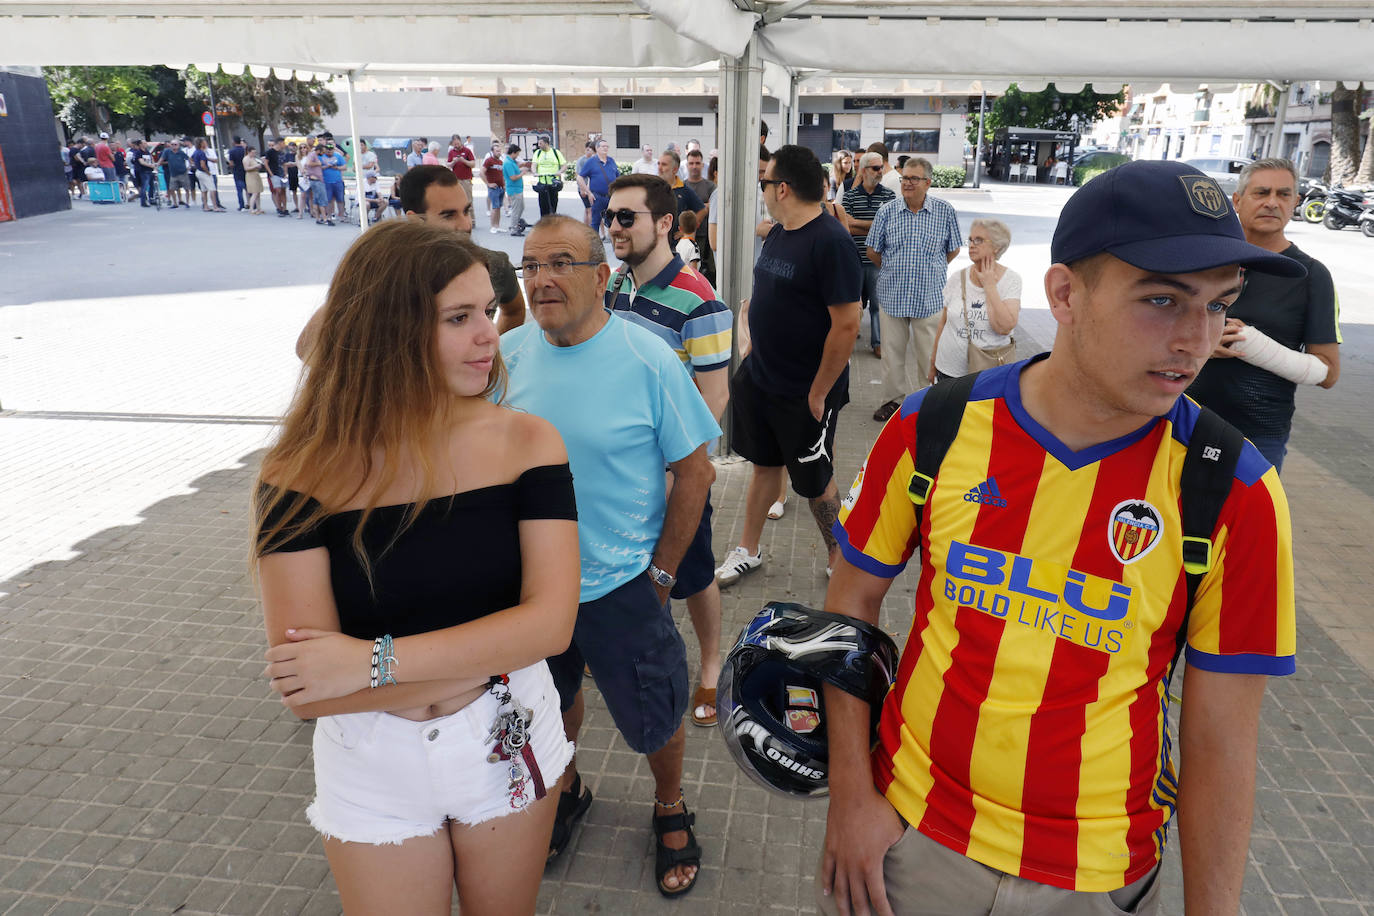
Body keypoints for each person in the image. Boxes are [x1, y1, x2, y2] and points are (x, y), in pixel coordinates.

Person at [818, 159, 1302, 916]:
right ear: (1065, 293)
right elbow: (849, 606)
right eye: (1163, 300)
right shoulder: (934, 426)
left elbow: (1222, 738)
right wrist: (850, 798)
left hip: (1098, 876)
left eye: (1218, 306)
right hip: (909, 844)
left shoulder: (1234, 490)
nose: (1194, 340)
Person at [255, 220, 578, 916]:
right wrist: (494, 651)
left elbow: (552, 625)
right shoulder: (300, 473)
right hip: (374, 763)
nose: (489, 334)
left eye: (487, 311)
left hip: (506, 731)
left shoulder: (528, 443)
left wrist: (370, 664)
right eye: (459, 318)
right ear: (389, 331)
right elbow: (308, 689)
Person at [501, 214, 719, 897]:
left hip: (623, 583)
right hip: (531, 589)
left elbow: (696, 471)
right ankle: (567, 786)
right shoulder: (505, 356)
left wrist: (661, 573)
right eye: (530, 266)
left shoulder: (646, 356)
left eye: (559, 262)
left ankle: (669, 804)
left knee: (655, 711)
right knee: (549, 699)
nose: (541, 279)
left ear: (601, 277)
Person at [604, 173, 733, 730]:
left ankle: (711, 661)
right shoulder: (615, 283)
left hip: (674, 474)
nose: (614, 227)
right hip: (619, 470)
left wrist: (683, 475)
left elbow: (715, 397)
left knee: (695, 573)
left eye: (626, 217)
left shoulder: (700, 301)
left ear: (663, 223)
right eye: (610, 216)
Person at [715, 144, 862, 588]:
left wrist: (819, 392)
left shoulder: (831, 242)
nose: (761, 191)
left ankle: (840, 559)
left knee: (815, 481)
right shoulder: (780, 231)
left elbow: (848, 325)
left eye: (764, 182)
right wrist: (751, 339)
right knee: (762, 465)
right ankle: (748, 549)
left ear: (781, 187)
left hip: (804, 389)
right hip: (761, 376)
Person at [1187, 157, 1341, 473]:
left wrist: (1252, 345)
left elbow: (1328, 374)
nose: (1272, 202)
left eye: (1283, 195)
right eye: (1262, 193)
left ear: (1296, 202)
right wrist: (1204, 345)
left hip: (1258, 435)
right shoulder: (1203, 261)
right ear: (1238, 201)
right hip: (1182, 418)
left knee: (1246, 524)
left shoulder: (1311, 275)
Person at [296, 165, 527, 363]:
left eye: (466, 211)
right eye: (448, 215)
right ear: (415, 219)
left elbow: (515, 310)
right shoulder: (385, 273)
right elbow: (308, 348)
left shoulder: (494, 264)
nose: (465, 224)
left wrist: (492, 362)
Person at [865, 156, 964, 420]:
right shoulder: (887, 211)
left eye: (913, 178)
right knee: (892, 356)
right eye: (904, 178)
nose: (907, 183)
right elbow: (873, 250)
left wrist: (931, 269)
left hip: (928, 296)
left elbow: (953, 248)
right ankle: (892, 402)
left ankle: (926, 405)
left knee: (929, 357)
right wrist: (893, 268)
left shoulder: (944, 211)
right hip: (892, 294)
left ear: (928, 182)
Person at [928, 218, 1020, 382]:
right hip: (948, 371)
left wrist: (990, 286)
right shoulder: (957, 278)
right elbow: (943, 322)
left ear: (997, 246)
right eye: (970, 239)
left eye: (978, 240)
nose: (971, 244)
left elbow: (1005, 327)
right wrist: (933, 363)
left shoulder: (1011, 280)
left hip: (987, 374)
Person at [841, 152, 895, 360]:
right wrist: (875, 226)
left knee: (877, 305)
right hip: (854, 260)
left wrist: (858, 223)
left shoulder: (889, 196)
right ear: (863, 170)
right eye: (875, 168)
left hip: (877, 261)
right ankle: (846, 341)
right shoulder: (850, 196)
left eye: (881, 167)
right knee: (852, 305)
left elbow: (889, 228)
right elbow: (846, 228)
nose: (880, 171)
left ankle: (878, 343)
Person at [656, 150, 705, 245]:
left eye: (664, 165)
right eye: (658, 164)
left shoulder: (684, 190)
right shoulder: (652, 188)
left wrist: (686, 231)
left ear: (675, 169)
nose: (659, 168)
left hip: (676, 247)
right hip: (657, 244)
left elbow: (702, 210)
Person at [683, 149, 716, 286]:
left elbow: (714, 205)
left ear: (703, 165)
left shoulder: (710, 186)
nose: (694, 166)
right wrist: (704, 207)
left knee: (707, 274)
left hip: (706, 237)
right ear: (687, 165)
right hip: (685, 237)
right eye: (691, 163)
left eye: (697, 163)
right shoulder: (682, 186)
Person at [577, 139, 619, 238]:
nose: (605, 148)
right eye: (603, 146)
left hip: (611, 197)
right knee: (595, 221)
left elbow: (618, 177)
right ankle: (594, 243)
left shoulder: (611, 161)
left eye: (607, 146)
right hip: (598, 197)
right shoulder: (591, 162)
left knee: (614, 220)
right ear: (597, 148)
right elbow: (580, 177)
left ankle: (614, 242)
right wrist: (588, 192)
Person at [531, 135, 566, 218]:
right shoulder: (538, 153)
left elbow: (564, 165)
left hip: (553, 183)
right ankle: (543, 222)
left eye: (540, 143)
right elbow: (534, 165)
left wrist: (559, 172)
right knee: (543, 205)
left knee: (553, 204)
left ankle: (552, 222)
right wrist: (534, 172)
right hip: (542, 182)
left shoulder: (556, 152)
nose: (539, 145)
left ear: (546, 143)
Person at [191, 138, 225, 212]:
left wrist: (195, 164)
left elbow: (191, 158)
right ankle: (215, 206)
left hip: (198, 172)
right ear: (201, 144)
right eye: (204, 142)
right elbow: (203, 165)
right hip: (204, 172)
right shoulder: (202, 153)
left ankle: (205, 206)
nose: (206, 143)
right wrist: (208, 172)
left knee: (203, 190)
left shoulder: (196, 152)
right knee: (212, 189)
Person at [321, 138, 349, 224]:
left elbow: (344, 167)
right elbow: (318, 168)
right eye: (328, 151)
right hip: (327, 182)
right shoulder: (322, 157)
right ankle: (329, 216)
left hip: (337, 181)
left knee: (340, 199)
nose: (329, 152)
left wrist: (336, 167)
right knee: (329, 200)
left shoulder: (338, 156)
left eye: (331, 151)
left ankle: (341, 216)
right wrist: (326, 166)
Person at [158, 139, 192, 209]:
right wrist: (157, 165)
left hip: (183, 173)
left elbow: (189, 159)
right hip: (173, 174)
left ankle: (187, 202)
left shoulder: (181, 152)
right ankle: (175, 203)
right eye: (172, 144)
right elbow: (161, 159)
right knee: (172, 188)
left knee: (186, 188)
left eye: (175, 144)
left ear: (178, 145)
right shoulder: (167, 151)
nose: (173, 146)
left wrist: (189, 167)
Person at [502, 144, 527, 237]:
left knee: (521, 207)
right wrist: (522, 173)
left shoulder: (512, 162)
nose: (518, 156)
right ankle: (513, 228)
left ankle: (515, 223)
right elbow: (512, 177)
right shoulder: (508, 163)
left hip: (518, 188)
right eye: (517, 154)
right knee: (516, 209)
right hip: (514, 189)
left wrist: (520, 170)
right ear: (513, 153)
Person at [447, 134, 477, 205]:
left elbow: (473, 164)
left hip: (466, 180)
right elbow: (448, 165)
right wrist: (453, 161)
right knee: (456, 201)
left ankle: (470, 216)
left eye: (457, 143)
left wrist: (463, 160)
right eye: (454, 144)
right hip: (456, 180)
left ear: (460, 141)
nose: (456, 145)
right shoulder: (451, 152)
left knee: (468, 201)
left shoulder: (467, 151)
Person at [482, 142, 505, 233]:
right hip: (493, 188)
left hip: (500, 187)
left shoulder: (500, 162)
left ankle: (497, 225)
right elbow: (481, 172)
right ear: (492, 151)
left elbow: (501, 175)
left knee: (499, 207)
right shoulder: (489, 161)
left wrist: (504, 185)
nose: (499, 152)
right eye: (497, 151)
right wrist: (488, 184)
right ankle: (492, 226)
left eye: (500, 151)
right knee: (495, 207)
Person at [574, 141, 596, 226]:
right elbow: (578, 175)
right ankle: (590, 229)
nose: (589, 151)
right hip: (584, 188)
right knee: (590, 210)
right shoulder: (582, 160)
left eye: (591, 150)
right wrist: (582, 189)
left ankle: (585, 227)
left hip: (591, 188)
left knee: (587, 209)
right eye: (588, 149)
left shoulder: (593, 159)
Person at [242, 146, 265, 214]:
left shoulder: (253, 158)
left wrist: (259, 166)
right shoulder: (246, 159)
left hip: (256, 174)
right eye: (252, 152)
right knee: (254, 192)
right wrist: (256, 166)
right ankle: (251, 208)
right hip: (250, 176)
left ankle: (258, 208)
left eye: (255, 152)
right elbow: (246, 168)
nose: (254, 154)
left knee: (258, 192)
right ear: (248, 152)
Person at [228, 137, 248, 211]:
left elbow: (231, 163)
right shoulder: (244, 150)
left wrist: (232, 166)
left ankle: (241, 205)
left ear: (234, 142)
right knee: (248, 189)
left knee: (239, 191)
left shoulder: (232, 151)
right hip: (246, 171)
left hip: (237, 171)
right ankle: (253, 204)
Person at [284, 142, 302, 217]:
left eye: (294, 146)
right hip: (291, 175)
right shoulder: (287, 155)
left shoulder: (298, 154)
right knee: (294, 191)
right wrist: (285, 174)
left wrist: (294, 163)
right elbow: (285, 164)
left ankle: (305, 206)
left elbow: (300, 163)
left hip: (299, 174)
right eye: (291, 146)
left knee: (304, 191)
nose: (292, 147)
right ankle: (297, 206)